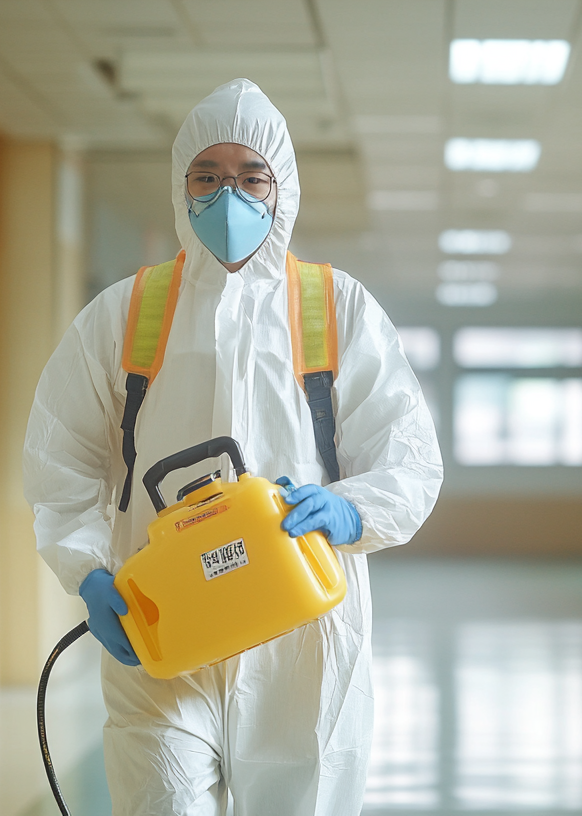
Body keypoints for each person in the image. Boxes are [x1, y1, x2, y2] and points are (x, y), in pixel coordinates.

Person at [23, 78, 443, 815]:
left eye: (252, 179)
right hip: (162, 631)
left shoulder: (334, 307)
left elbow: (409, 456)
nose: (229, 198)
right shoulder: (127, 312)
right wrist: (89, 572)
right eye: (207, 178)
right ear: (180, 187)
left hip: (302, 644)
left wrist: (350, 510)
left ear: (282, 191)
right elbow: (63, 457)